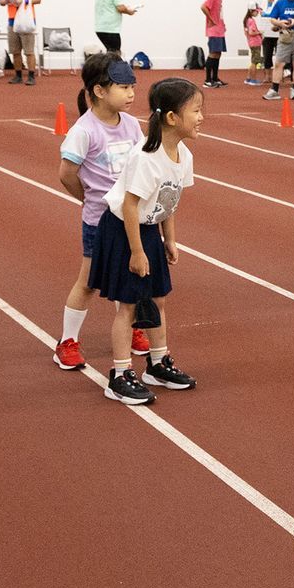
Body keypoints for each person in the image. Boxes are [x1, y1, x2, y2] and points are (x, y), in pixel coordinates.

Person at [91, 77, 203, 404]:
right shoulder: (147, 156)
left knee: (158, 298)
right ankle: (119, 374)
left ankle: (157, 364)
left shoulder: (183, 154)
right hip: (124, 231)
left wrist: (170, 240)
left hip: (150, 230)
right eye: (195, 111)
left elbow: (169, 200)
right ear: (172, 117)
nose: (201, 117)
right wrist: (137, 252)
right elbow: (129, 205)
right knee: (128, 305)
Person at [54, 53, 154, 374]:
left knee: (131, 277)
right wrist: (88, 200)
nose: (131, 94)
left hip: (130, 219)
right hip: (99, 221)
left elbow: (141, 164)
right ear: (99, 91)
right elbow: (67, 173)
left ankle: (131, 328)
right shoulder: (84, 131)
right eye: (123, 88)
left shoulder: (131, 125)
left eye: (132, 87)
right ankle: (67, 341)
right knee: (88, 283)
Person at [0, 0, 42, 86]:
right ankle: (18, 75)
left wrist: (25, 0)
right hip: (12, 22)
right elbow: (0, 0)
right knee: (15, 51)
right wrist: (5, 1)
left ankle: (31, 75)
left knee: (29, 51)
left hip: (26, 21)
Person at [200, 0, 231, 88]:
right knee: (213, 53)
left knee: (218, 53)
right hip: (214, 30)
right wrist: (211, 20)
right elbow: (203, 7)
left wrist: (222, 24)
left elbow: (219, 13)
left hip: (219, 30)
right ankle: (208, 80)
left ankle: (215, 78)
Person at [242, 3, 266, 85]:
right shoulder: (251, 20)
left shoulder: (247, 20)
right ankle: (253, 80)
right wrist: (259, 32)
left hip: (252, 43)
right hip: (255, 43)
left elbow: (247, 32)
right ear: (251, 11)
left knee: (253, 61)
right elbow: (251, 32)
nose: (257, 13)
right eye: (256, 11)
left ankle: (248, 78)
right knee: (255, 62)